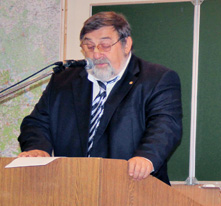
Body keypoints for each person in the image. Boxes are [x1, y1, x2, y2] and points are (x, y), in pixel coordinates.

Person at [18, 11, 182, 184]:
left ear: (126, 44)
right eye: (89, 46)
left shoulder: (155, 79)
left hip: (134, 186)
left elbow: (165, 126)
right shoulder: (63, 81)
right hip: (72, 188)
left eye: (105, 45)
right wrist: (37, 148)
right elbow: (36, 123)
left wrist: (146, 157)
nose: (96, 54)